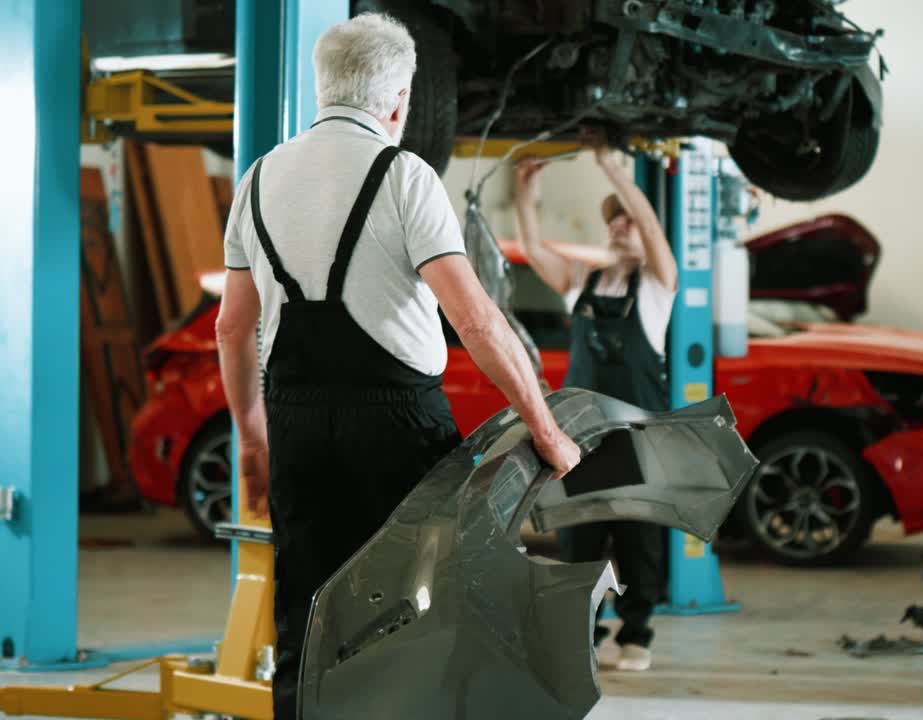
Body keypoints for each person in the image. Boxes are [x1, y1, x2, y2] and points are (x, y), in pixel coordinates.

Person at [214, 14, 581, 720]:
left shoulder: (259, 179)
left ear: (322, 87)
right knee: (422, 609)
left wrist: (255, 440)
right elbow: (475, 319)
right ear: (399, 99)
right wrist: (545, 426)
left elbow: (233, 326)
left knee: (312, 612)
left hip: (295, 421)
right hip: (397, 424)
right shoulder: (405, 177)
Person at [512, 134, 678, 672]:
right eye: (614, 220)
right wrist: (525, 192)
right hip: (581, 440)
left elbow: (653, 229)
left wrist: (612, 169)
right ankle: (583, 631)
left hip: (636, 443)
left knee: (639, 541)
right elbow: (535, 251)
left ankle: (637, 634)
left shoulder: (656, 288)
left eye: (627, 218)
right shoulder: (583, 284)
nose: (621, 226)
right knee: (579, 540)